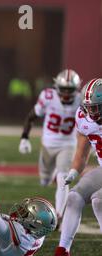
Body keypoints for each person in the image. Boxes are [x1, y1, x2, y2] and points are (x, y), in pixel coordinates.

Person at [44, 78, 102, 256]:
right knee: (74, 197)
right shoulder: (84, 117)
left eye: (96, 108)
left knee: (98, 200)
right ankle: (62, 253)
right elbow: (82, 152)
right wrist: (74, 172)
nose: (91, 113)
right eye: (89, 107)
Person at [19, 69, 82, 219]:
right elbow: (32, 116)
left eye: (70, 90)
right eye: (64, 89)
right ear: (57, 88)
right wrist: (24, 137)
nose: (66, 94)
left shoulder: (81, 100)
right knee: (45, 180)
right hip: (48, 143)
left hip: (68, 144)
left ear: (76, 89)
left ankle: (60, 214)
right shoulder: (48, 96)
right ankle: (52, 174)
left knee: (63, 178)